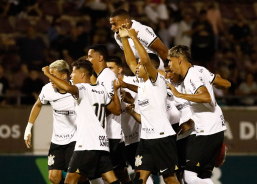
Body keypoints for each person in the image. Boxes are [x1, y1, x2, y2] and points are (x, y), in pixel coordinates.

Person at [41, 59, 122, 184]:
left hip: (86, 144)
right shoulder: (101, 90)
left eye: (73, 73)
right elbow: (117, 110)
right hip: (102, 143)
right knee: (111, 179)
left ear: (82, 75)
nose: (71, 76)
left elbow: (67, 87)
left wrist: (48, 74)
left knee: (70, 180)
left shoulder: (81, 88)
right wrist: (115, 91)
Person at [118, 27, 179, 184]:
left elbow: (144, 60)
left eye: (140, 65)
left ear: (150, 68)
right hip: (145, 140)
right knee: (139, 179)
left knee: (169, 179)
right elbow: (131, 61)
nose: (136, 67)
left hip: (162, 138)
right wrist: (124, 39)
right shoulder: (142, 86)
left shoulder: (156, 80)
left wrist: (134, 37)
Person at [167, 45, 227, 184]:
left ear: (179, 59)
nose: (169, 64)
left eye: (170, 60)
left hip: (207, 131)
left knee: (189, 177)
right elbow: (226, 84)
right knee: (203, 177)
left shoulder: (191, 76)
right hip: (214, 128)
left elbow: (206, 97)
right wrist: (218, 82)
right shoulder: (200, 70)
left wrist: (179, 94)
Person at [24, 60, 79, 184]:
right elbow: (38, 105)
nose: (50, 79)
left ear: (64, 75)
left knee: (74, 177)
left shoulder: (76, 89)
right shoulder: (48, 90)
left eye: (53, 75)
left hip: (75, 139)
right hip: (57, 140)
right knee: (54, 178)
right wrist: (28, 128)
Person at [87, 45, 131, 184]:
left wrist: (92, 114)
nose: (88, 59)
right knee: (117, 175)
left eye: (90, 56)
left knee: (99, 173)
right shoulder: (101, 77)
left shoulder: (107, 77)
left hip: (111, 133)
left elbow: (113, 107)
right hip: (107, 133)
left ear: (100, 58)